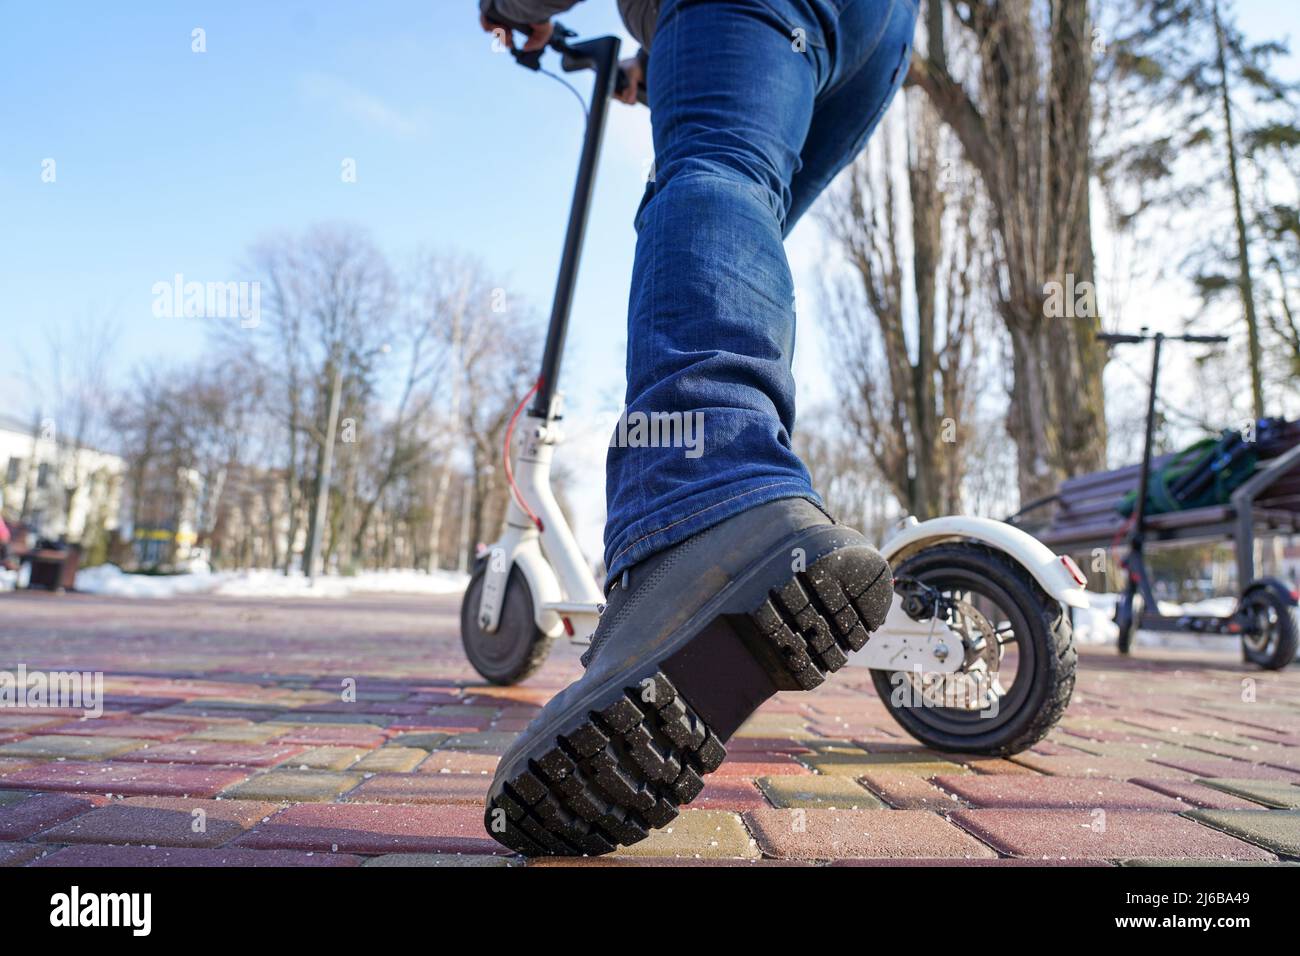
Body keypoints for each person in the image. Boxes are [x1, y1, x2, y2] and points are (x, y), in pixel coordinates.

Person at [477, 0, 917, 855]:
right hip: (878, 33)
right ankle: (748, 495)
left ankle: (711, 497)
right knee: (744, 196)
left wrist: (519, 9)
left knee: (713, 173)